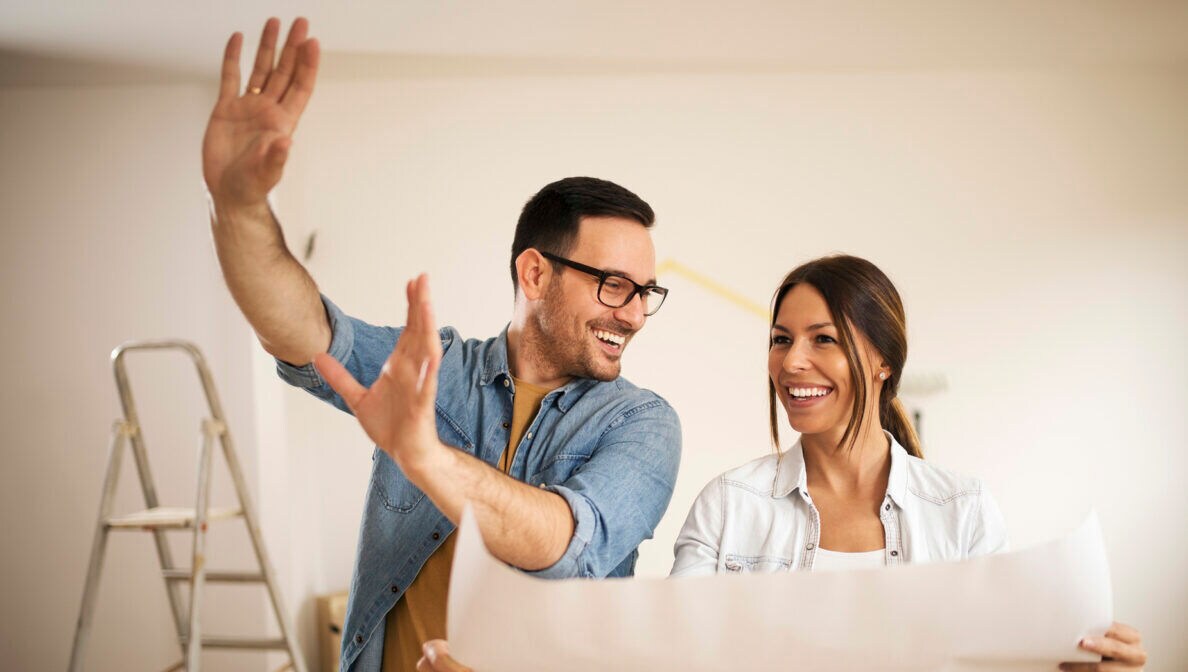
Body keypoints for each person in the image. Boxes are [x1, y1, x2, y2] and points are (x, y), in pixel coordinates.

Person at [201, 18, 681, 672]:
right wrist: (240, 211)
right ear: (535, 274)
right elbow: (302, 332)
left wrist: (425, 455)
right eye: (615, 286)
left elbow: (566, 541)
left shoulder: (643, 425)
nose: (634, 315)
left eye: (645, 292)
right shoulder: (438, 372)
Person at [670, 254, 1147, 670]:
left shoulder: (963, 509)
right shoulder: (728, 504)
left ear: (883, 361)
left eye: (823, 340)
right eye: (781, 339)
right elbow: (672, 657)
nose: (791, 361)